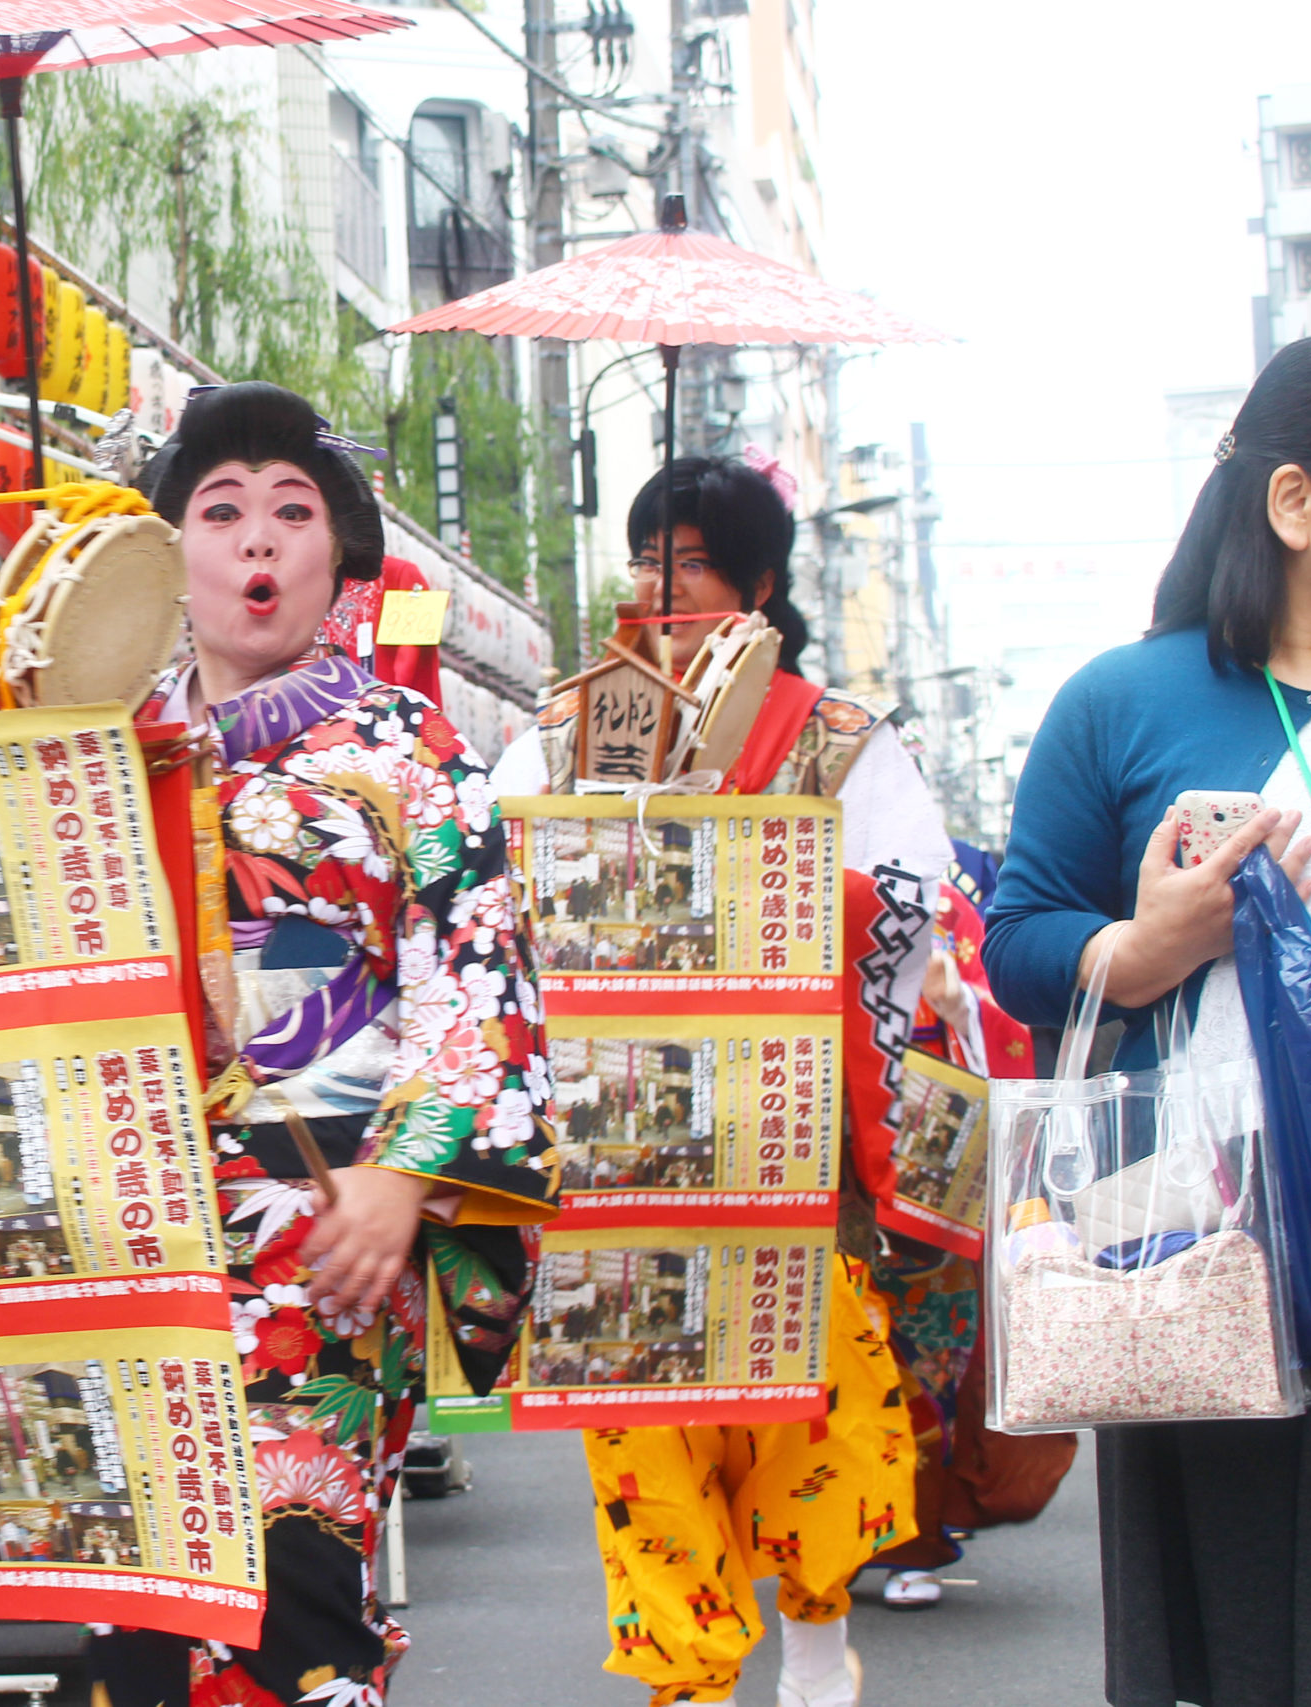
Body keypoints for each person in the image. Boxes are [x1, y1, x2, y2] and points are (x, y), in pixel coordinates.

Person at [85, 381, 557, 1707]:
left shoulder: (413, 757)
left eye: (291, 513)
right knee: (135, 1600)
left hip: (322, 1226)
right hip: (132, 1230)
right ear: (169, 548)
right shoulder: (103, 747)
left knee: (293, 1580)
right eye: (220, 510)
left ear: (337, 556)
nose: (256, 541)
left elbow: (476, 979)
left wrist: (407, 1171)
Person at [493, 454, 943, 1707]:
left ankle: (811, 1631)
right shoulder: (564, 731)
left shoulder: (841, 739)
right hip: (618, 1158)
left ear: (755, 585)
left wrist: (764, 882)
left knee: (810, 1411)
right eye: (646, 560)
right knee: (643, 1433)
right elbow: (498, 885)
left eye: (688, 561)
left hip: (786, 1147)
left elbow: (912, 902)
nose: (661, 587)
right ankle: (684, 1681)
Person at [986, 335, 1311, 1707]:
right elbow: (1020, 942)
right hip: (1207, 1237)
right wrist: (1142, 946)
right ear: (1295, 501)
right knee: (1236, 1624)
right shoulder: (1124, 701)